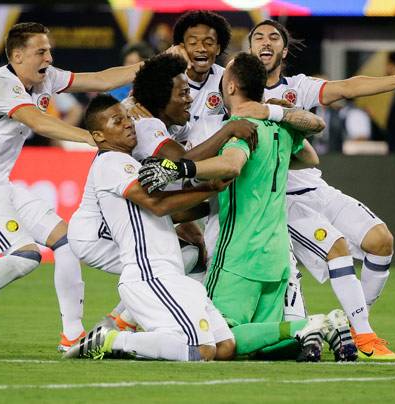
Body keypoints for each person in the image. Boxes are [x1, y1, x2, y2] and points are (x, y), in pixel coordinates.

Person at [0, 22, 146, 352]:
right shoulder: (1, 84)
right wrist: (93, 139)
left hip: (1, 184)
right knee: (25, 257)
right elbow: (39, 122)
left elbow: (100, 79)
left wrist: (151, 66)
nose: (49, 57)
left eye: (49, 50)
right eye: (41, 51)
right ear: (17, 55)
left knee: (66, 242)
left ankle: (72, 336)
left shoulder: (45, 78)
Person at [140, 53, 339, 362]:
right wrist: (279, 121)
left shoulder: (241, 127)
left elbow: (233, 165)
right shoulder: (279, 129)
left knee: (219, 341)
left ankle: (312, 324)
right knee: (262, 341)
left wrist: (181, 169)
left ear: (230, 86)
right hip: (275, 254)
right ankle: (303, 333)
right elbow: (310, 158)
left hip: (240, 254)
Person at [56, 53, 260, 352]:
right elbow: (176, 175)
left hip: (125, 230)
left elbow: (165, 204)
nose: (190, 97)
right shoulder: (144, 131)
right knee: (159, 260)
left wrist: (208, 204)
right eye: (182, 92)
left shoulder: (161, 129)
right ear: (162, 96)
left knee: (188, 255)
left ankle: (126, 323)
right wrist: (226, 138)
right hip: (97, 233)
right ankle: (120, 329)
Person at [249, 19, 395, 360]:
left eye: (273, 37)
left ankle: (355, 320)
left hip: (315, 187)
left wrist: (392, 81)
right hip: (279, 200)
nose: (265, 42)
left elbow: (345, 87)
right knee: (338, 248)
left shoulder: (297, 87)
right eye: (258, 37)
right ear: (250, 48)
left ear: (284, 50)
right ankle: (364, 336)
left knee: (380, 240)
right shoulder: (233, 89)